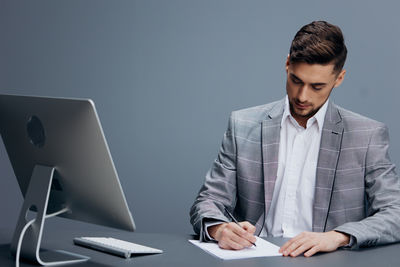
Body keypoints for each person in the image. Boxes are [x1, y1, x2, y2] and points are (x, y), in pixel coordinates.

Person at [189, 21, 400, 257]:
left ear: (339, 78)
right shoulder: (242, 124)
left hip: (327, 262)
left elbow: (396, 212)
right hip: (255, 259)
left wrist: (338, 237)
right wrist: (220, 229)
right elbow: (209, 200)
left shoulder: (367, 135)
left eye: (317, 86)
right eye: (296, 80)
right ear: (287, 64)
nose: (302, 96)